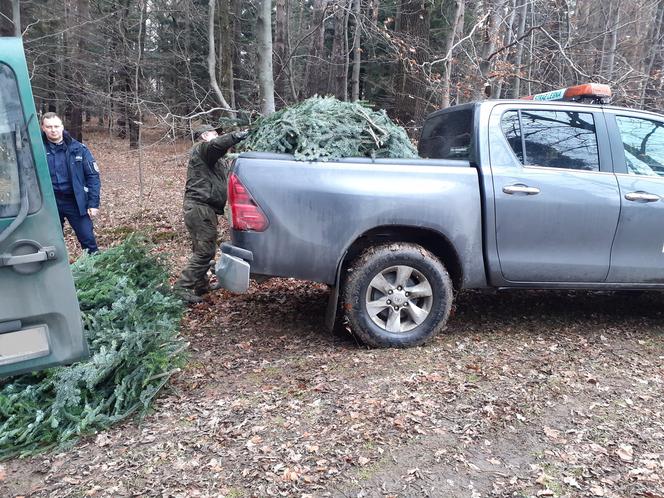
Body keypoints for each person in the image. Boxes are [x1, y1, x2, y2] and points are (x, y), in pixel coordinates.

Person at [174, 124, 248, 304]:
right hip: (200, 208)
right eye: (215, 134)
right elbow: (216, 145)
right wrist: (237, 135)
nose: (217, 136)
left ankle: (201, 286)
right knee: (206, 251)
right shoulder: (203, 149)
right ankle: (181, 288)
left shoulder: (213, 158)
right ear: (205, 136)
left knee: (200, 249)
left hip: (202, 208)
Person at [41, 112, 101, 253]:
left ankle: (95, 268)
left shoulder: (78, 148)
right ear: (43, 128)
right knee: (52, 242)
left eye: (56, 126)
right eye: (49, 127)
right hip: (49, 202)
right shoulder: (37, 149)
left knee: (87, 238)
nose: (53, 130)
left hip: (75, 201)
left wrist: (93, 203)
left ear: (62, 127)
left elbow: (93, 176)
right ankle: (59, 272)